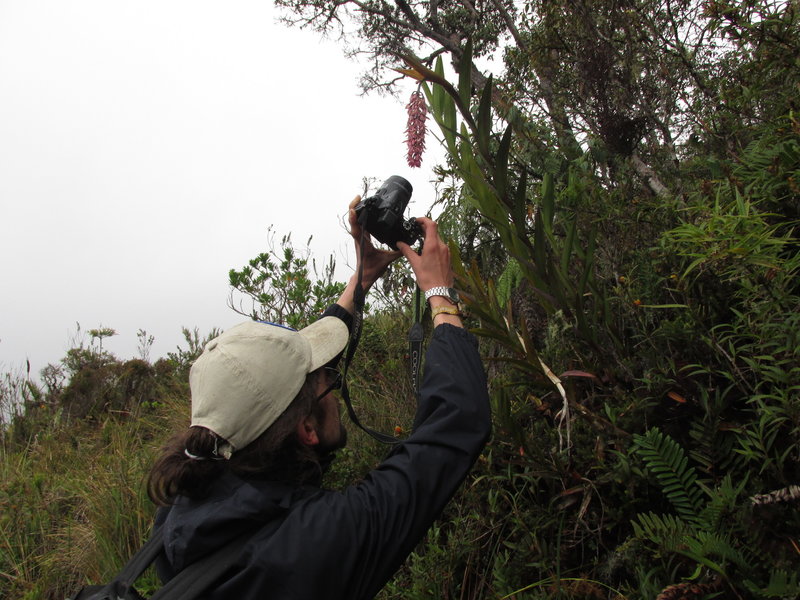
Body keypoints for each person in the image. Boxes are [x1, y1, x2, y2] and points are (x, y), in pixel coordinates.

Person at [146, 196, 492, 599]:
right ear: (306, 429)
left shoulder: (181, 511)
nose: (333, 379)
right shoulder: (311, 547)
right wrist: (441, 293)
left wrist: (359, 281)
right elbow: (455, 423)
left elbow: (281, 395)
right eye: (328, 380)